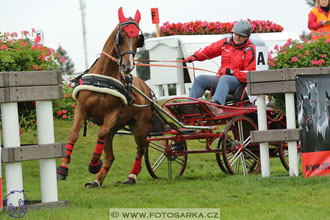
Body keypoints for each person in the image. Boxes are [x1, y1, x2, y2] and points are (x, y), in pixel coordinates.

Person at [185, 20, 256, 106]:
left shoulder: (250, 50)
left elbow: (251, 74)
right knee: (200, 79)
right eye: (235, 34)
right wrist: (195, 56)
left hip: (239, 84)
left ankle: (215, 105)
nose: (237, 37)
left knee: (225, 78)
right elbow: (209, 50)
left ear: (247, 37)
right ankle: (191, 106)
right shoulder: (226, 42)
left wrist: (232, 72)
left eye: (241, 36)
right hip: (223, 80)